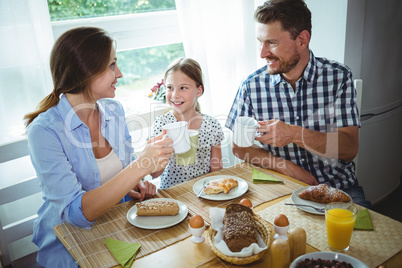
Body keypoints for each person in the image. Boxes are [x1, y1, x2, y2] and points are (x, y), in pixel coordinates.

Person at [24, 27, 174, 267]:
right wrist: (139, 167)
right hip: (72, 246)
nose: (121, 73)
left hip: (118, 227)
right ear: (87, 71)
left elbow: (118, 173)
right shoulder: (44, 131)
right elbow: (76, 214)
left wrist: (136, 183)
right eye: (112, 65)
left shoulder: (114, 111)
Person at [225, 0, 371, 208]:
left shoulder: (338, 77)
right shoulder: (251, 85)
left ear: (302, 40)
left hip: (339, 189)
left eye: (272, 43)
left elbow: (349, 148)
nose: (262, 53)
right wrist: (285, 167)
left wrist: (294, 134)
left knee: (366, 239)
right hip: (281, 189)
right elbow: (239, 147)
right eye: (260, 42)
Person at [150, 57, 224, 189]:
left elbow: (216, 170)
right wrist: (164, 150)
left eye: (183, 88)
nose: (174, 95)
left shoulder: (211, 124)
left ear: (199, 91)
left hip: (204, 193)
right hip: (173, 195)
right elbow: (155, 173)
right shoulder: (161, 124)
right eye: (170, 87)